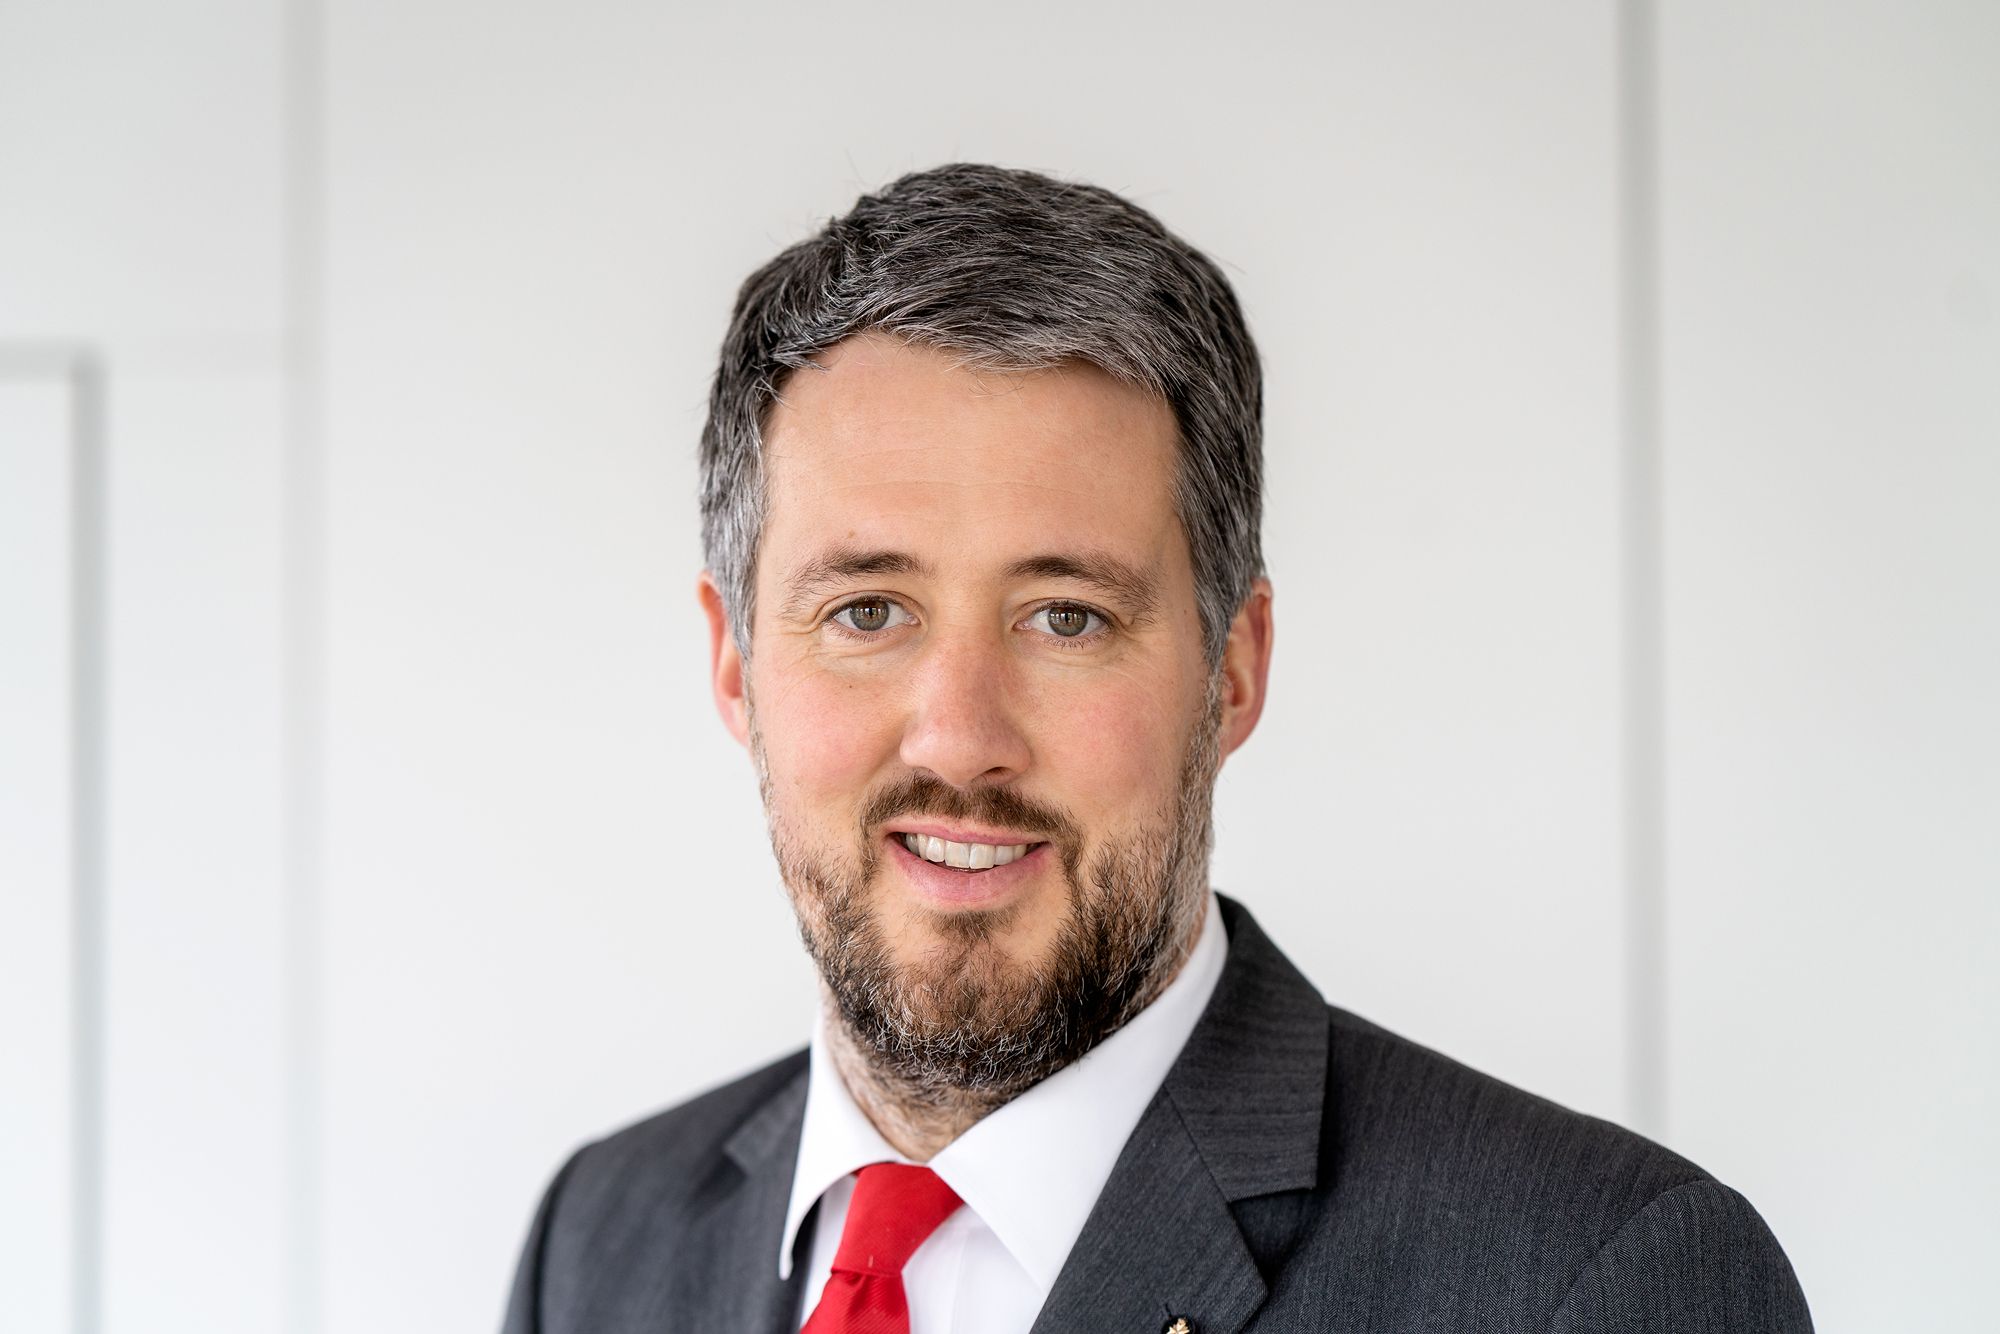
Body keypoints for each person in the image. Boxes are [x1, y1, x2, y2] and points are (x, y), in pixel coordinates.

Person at [500, 163, 1811, 1334]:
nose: (960, 736)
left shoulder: (1605, 1280)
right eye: (868, 612)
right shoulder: (598, 1244)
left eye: (1066, 615)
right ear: (736, 662)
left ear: (1233, 668)